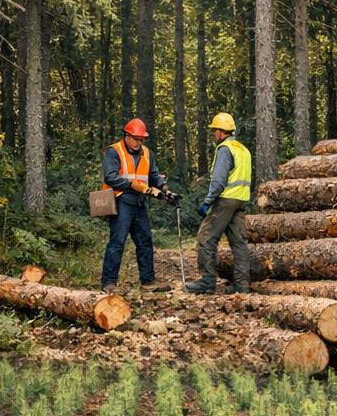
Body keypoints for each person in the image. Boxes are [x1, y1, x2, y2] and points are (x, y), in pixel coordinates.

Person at [101, 118, 172, 293]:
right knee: (117, 242)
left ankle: (148, 281)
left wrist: (164, 188)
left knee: (145, 241)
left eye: (141, 140)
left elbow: (153, 175)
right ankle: (109, 283)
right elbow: (110, 177)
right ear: (127, 135)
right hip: (121, 201)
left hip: (139, 203)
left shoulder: (147, 153)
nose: (138, 143)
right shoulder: (113, 151)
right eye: (136, 139)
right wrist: (132, 185)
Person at [185, 112, 254, 295]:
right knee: (239, 243)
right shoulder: (243, 149)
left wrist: (207, 203)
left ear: (221, 131)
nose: (214, 133)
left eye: (214, 130)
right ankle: (242, 285)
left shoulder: (225, 149)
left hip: (225, 199)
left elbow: (219, 181)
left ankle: (207, 282)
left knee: (206, 238)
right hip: (241, 200)